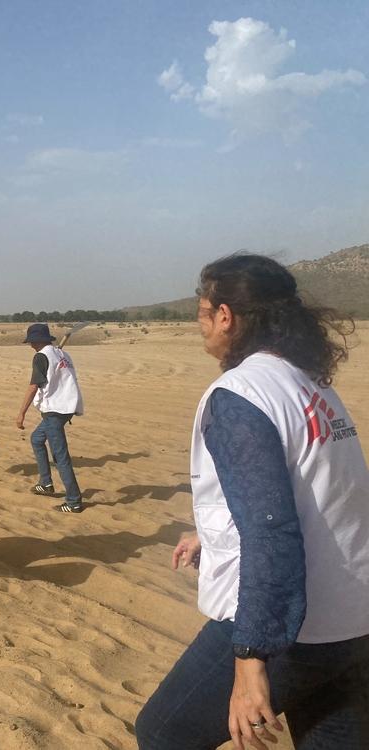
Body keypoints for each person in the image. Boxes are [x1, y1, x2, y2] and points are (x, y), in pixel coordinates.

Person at [135, 254, 369, 750]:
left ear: (226, 316)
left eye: (202, 313)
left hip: (297, 628)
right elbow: (320, 491)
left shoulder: (240, 393)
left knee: (162, 731)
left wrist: (250, 658)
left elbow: (271, 533)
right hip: (356, 618)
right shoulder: (309, 382)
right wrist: (214, 531)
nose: (200, 327)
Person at [15, 322, 84, 512]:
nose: (30, 345)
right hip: (66, 406)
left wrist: (21, 412)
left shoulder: (42, 356)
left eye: (31, 341)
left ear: (36, 341)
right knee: (37, 439)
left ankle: (74, 501)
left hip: (55, 410)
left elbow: (33, 386)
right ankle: (45, 483)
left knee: (61, 457)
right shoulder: (62, 354)